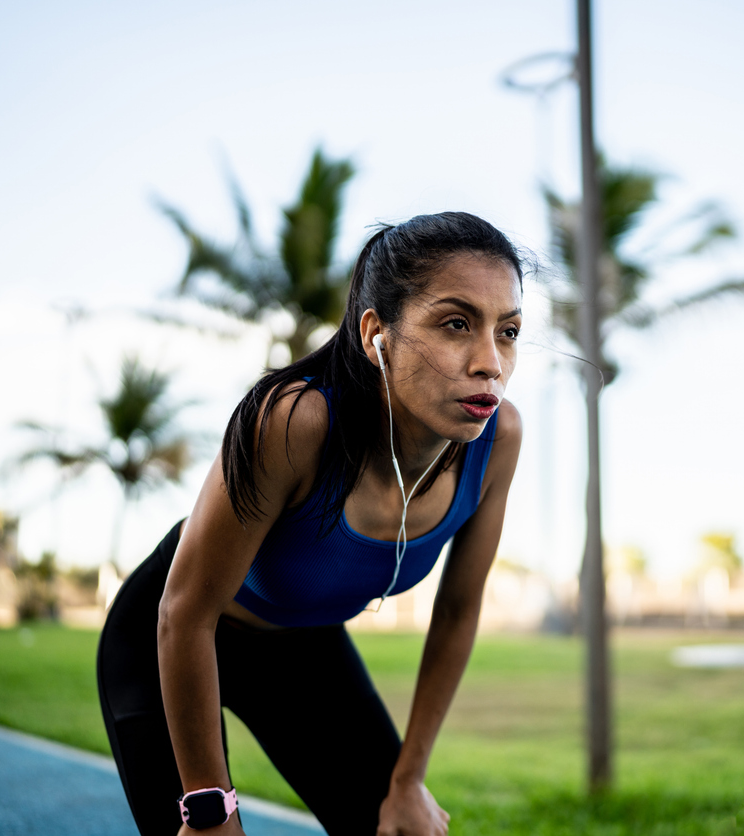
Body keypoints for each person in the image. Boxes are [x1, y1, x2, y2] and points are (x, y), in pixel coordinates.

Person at [97, 212, 526, 836]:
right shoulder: (296, 422)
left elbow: (459, 610)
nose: (490, 361)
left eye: (508, 331)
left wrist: (408, 781)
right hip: (174, 634)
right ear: (376, 333)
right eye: (456, 323)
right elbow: (184, 612)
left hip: (304, 645)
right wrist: (210, 807)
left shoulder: (498, 439)